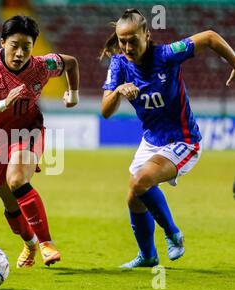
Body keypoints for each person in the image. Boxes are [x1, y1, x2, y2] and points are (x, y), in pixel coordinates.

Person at [100, 8, 235, 268]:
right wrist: (117, 91)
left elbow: (209, 36)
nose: (127, 46)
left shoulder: (166, 55)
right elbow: (105, 112)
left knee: (140, 182)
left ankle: (173, 233)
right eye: (122, 40)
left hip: (183, 140)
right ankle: (148, 257)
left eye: (132, 39)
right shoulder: (119, 64)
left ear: (147, 35)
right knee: (134, 197)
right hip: (152, 141)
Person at [0, 15, 80, 267]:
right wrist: (2, 103)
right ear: (2, 42)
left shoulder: (43, 66)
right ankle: (29, 244)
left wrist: (72, 94)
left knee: (18, 180)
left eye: (26, 47)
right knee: (10, 205)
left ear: (34, 47)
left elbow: (71, 63)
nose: (20, 53)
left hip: (28, 130)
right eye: (14, 45)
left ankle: (46, 243)